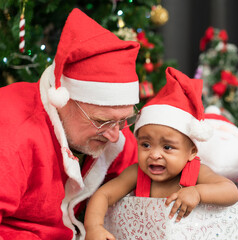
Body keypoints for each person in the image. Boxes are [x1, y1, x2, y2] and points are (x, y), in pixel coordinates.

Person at [0, 8, 140, 240]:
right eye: (101, 122)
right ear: (63, 100)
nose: (115, 135)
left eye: (124, 121)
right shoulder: (11, 132)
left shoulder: (113, 135)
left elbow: (153, 179)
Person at [84, 67, 238, 240]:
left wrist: (197, 192)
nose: (155, 154)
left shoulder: (197, 172)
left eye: (167, 147)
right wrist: (94, 228)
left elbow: (231, 191)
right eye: (146, 144)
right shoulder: (138, 173)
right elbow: (103, 195)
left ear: (191, 152)